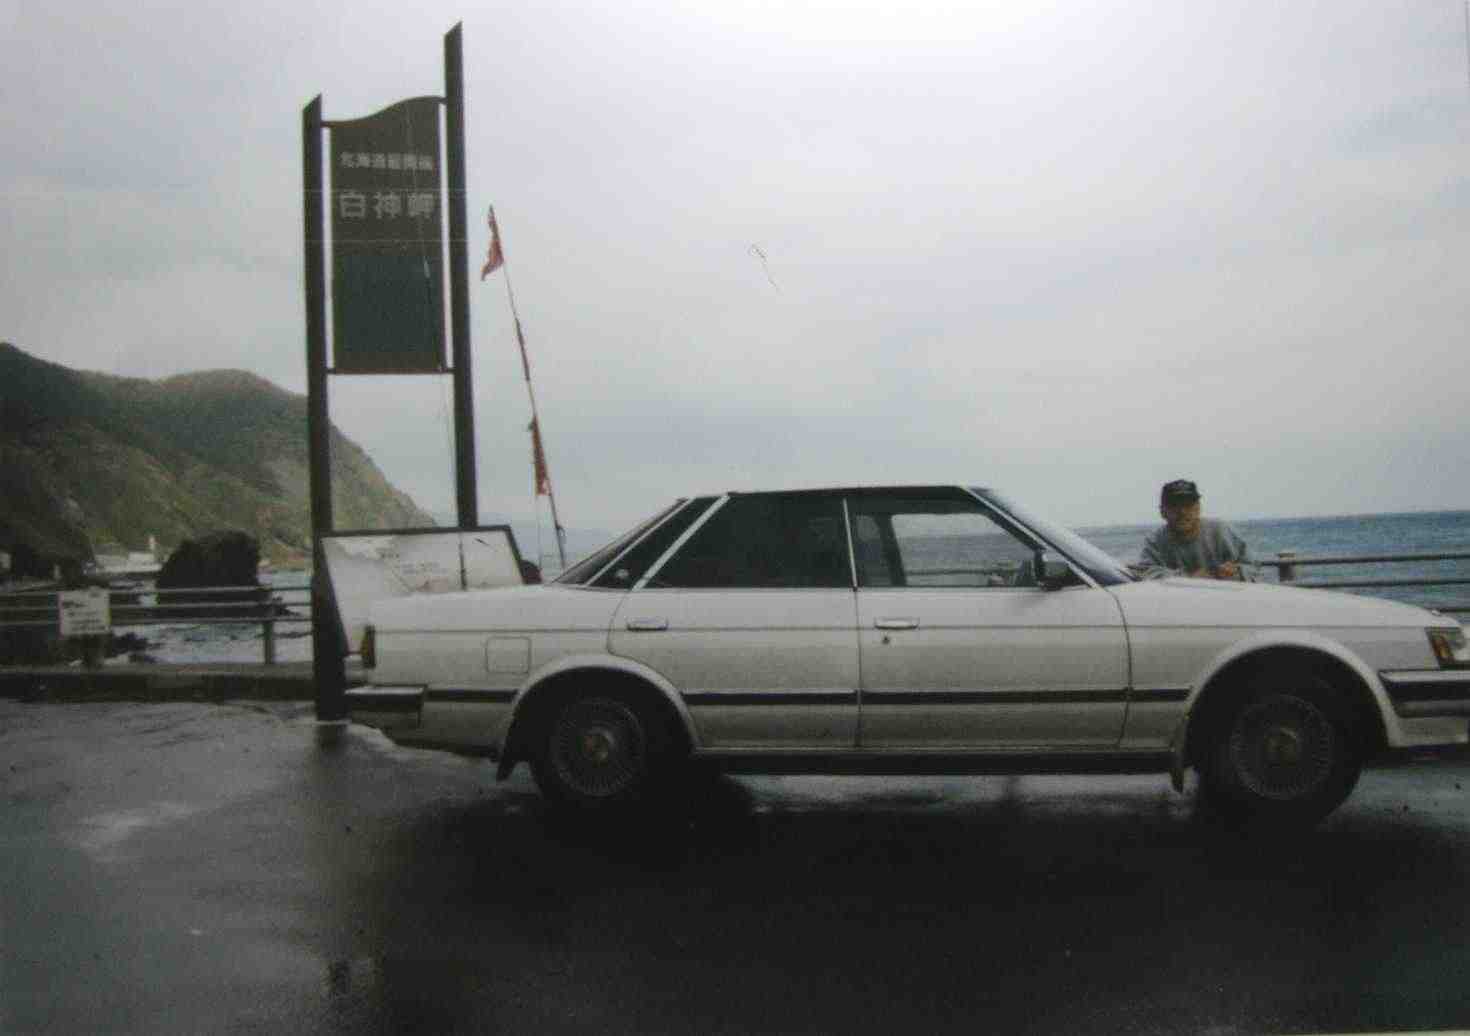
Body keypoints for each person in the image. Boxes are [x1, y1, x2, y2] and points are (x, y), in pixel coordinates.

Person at [1136, 479, 1253, 580]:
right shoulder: (1155, 541)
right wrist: (1189, 578)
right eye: (1174, 506)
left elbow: (1254, 568)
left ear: (1198, 508)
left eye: (1188, 505)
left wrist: (1238, 571)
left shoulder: (1221, 531)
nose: (1182, 512)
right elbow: (1145, 572)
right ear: (1162, 511)